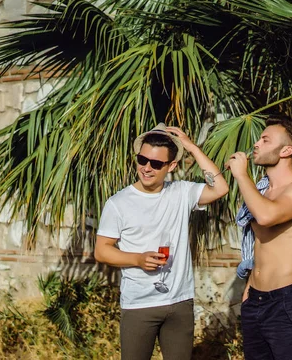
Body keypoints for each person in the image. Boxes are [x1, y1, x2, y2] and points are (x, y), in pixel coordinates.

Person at [94, 123, 229, 360]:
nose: (146, 168)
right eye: (142, 160)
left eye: (156, 164)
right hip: (138, 305)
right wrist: (136, 259)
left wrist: (190, 147)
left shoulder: (181, 192)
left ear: (171, 166)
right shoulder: (118, 203)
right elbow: (102, 251)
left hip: (179, 302)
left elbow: (219, 188)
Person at [226, 114, 292, 360]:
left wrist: (241, 175)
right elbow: (262, 245)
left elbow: (267, 217)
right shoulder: (262, 191)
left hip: (285, 303)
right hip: (254, 300)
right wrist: (248, 291)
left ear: (287, 150)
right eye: (258, 139)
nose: (256, 144)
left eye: (265, 140)